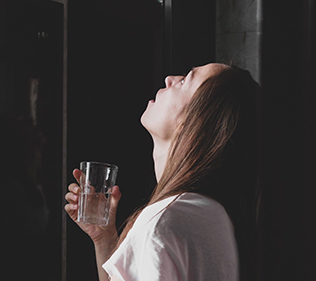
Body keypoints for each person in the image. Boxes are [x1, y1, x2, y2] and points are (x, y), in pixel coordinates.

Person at [65, 63, 260, 281]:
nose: (170, 78)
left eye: (186, 80)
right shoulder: (215, 216)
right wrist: (105, 239)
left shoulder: (162, 222)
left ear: (194, 122)